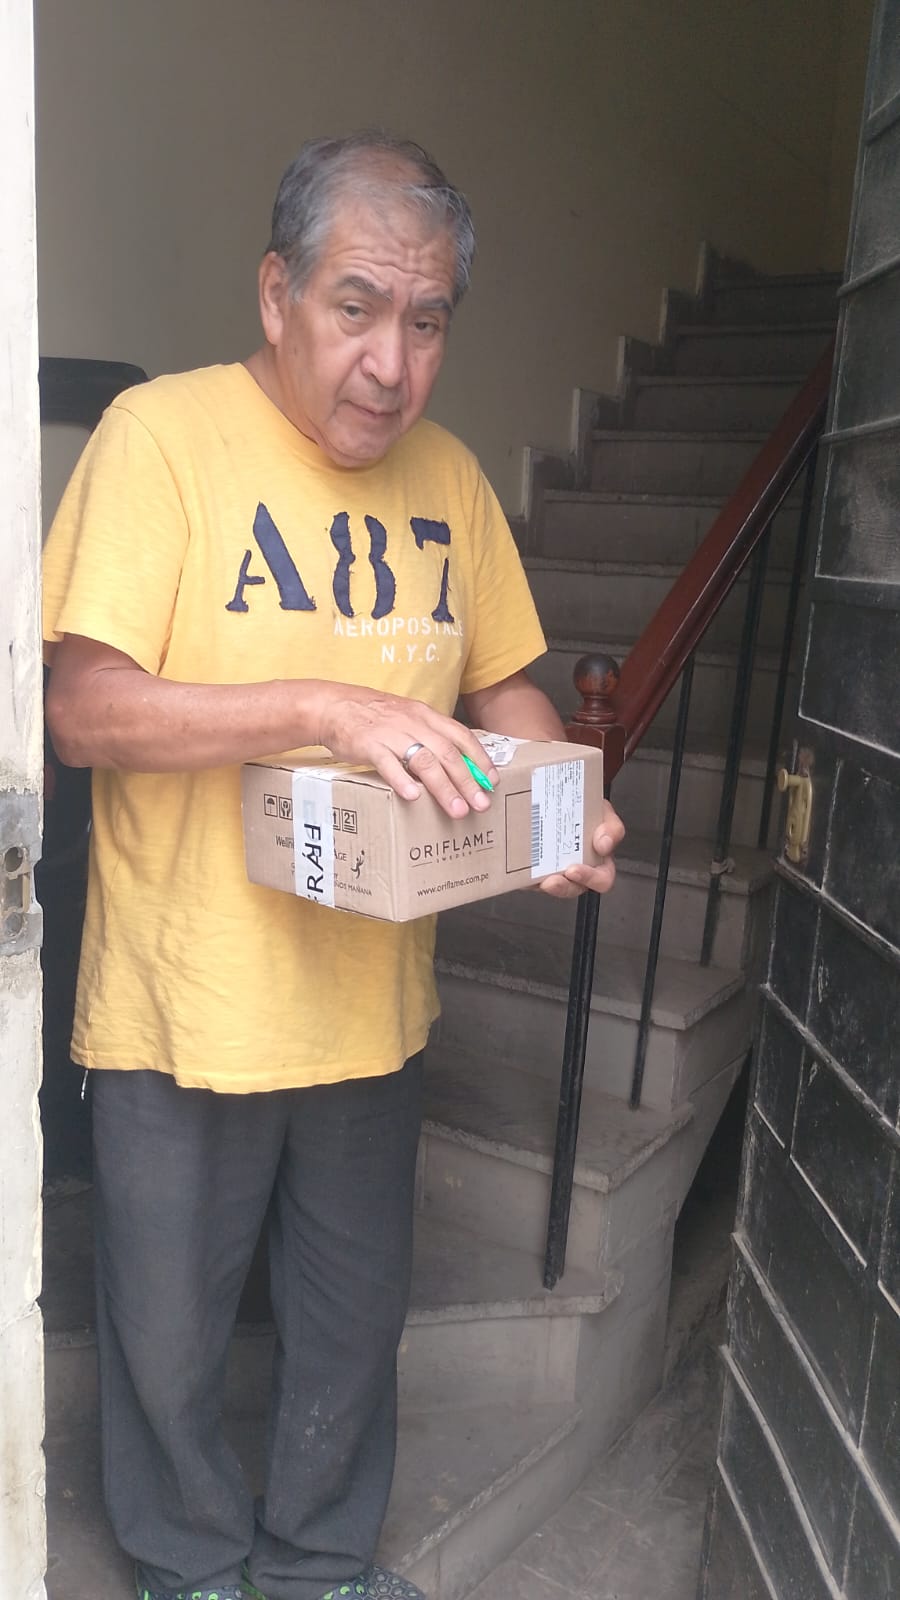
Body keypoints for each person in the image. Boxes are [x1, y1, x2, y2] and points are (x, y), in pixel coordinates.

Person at [43, 131, 625, 1600]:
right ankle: (189, 1565)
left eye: (427, 323)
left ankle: (318, 1565)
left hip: (371, 1004)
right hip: (188, 1001)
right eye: (356, 308)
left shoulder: (453, 482)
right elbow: (84, 711)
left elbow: (507, 688)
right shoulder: (161, 439)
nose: (390, 363)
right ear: (277, 293)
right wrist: (327, 706)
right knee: (167, 1329)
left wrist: (561, 802)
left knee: (351, 1319)